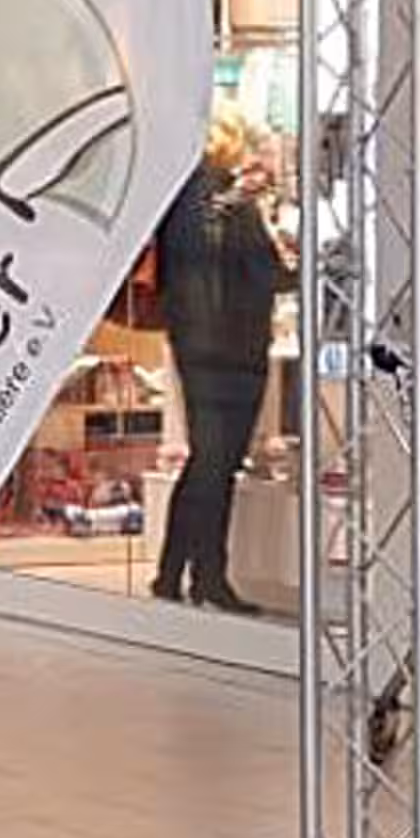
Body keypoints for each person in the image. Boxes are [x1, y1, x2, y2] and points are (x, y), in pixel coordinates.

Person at [154, 110, 291, 615]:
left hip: (196, 345)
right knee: (217, 465)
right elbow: (268, 275)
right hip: (235, 350)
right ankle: (206, 575)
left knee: (204, 463)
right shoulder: (235, 207)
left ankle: (176, 572)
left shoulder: (181, 201)